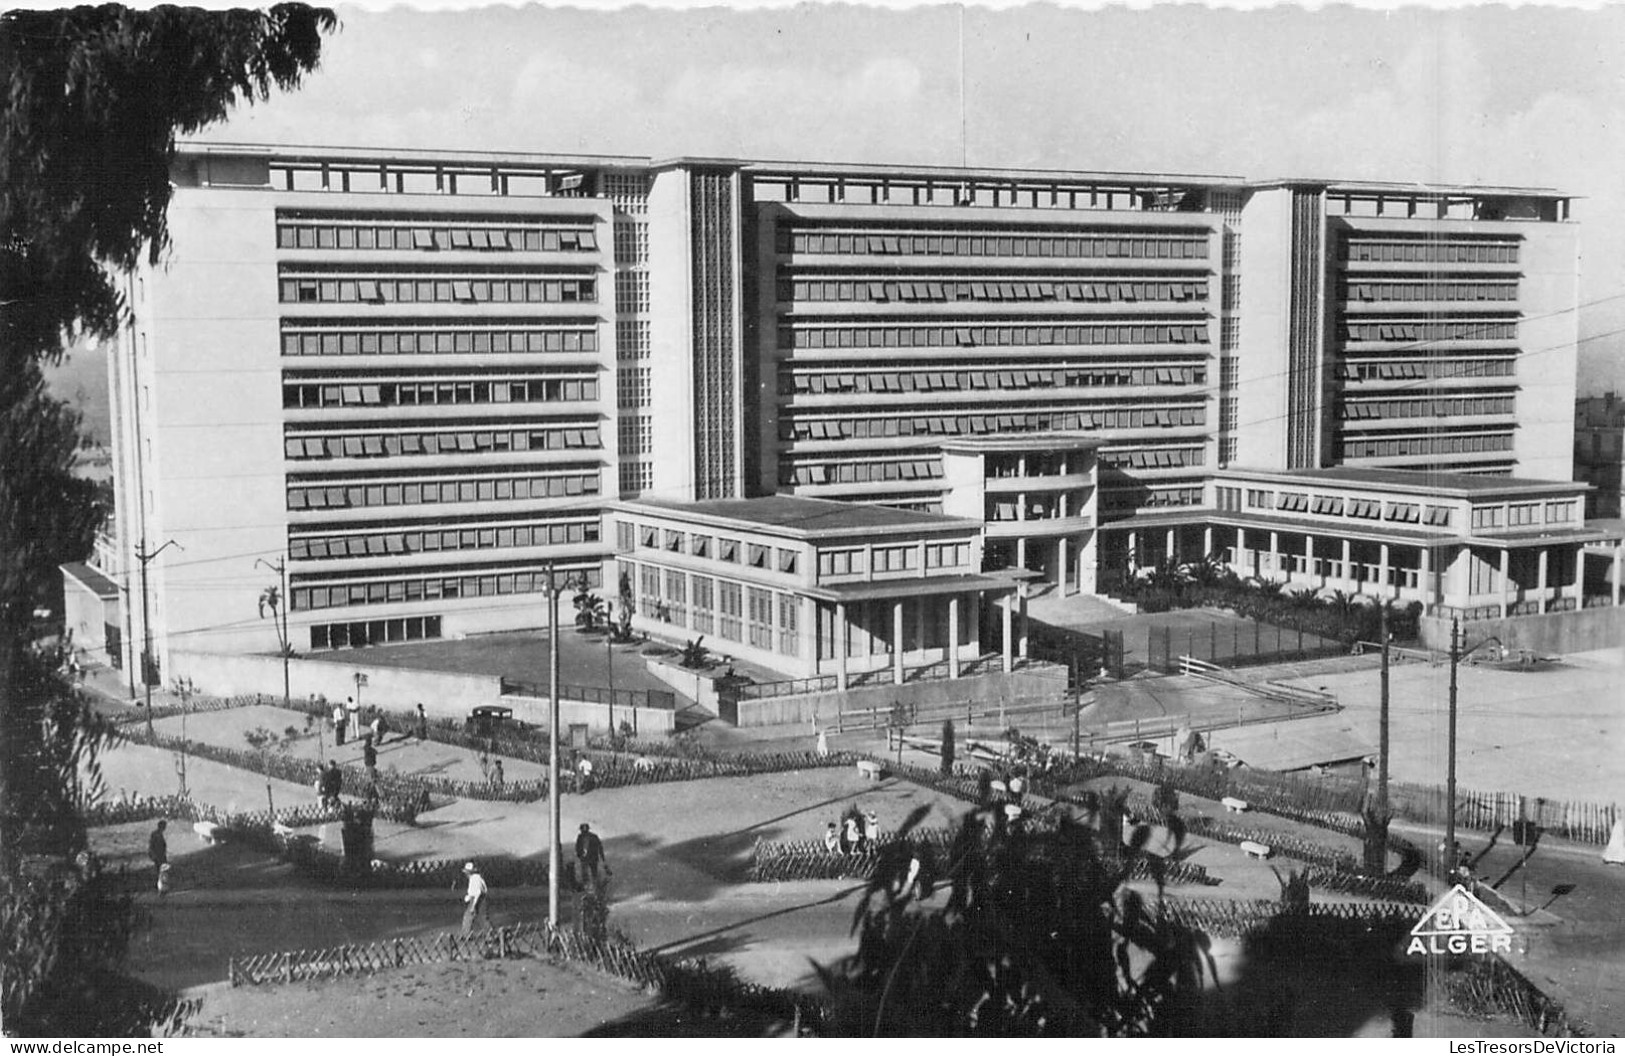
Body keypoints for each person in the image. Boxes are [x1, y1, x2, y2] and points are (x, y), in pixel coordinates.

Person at [461, 862, 488, 934]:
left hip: (478, 899)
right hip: (476, 898)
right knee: (479, 918)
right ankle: (490, 934)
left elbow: (477, 893)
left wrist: (473, 905)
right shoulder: (475, 878)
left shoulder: (475, 879)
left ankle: (466, 934)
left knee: (470, 917)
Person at [148, 820, 168, 896]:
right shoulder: (156, 834)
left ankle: (161, 888)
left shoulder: (159, 834)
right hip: (158, 856)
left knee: (162, 872)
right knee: (161, 872)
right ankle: (160, 888)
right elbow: (152, 845)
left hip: (161, 856)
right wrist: (153, 855)